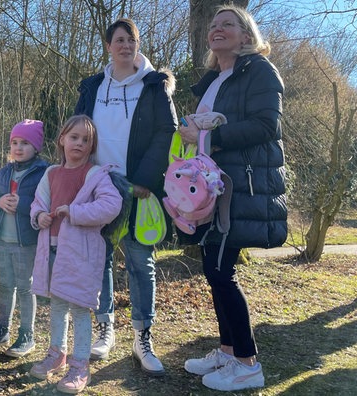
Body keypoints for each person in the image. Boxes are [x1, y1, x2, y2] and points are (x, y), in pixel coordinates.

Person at [178, 5, 287, 392]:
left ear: (246, 35)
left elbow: (266, 125)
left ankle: (247, 363)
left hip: (241, 187)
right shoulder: (215, 78)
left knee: (222, 273)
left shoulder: (258, 70)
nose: (218, 28)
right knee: (214, 270)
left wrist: (207, 137)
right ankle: (227, 350)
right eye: (214, 24)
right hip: (212, 187)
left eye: (229, 24)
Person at [74, 18, 176, 375]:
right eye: (118, 40)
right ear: (108, 46)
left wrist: (146, 179)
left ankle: (142, 337)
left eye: (130, 39)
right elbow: (78, 130)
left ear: (137, 45)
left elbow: (168, 131)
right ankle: (106, 328)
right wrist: (80, 176)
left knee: (139, 261)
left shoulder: (154, 85)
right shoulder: (92, 87)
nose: (125, 45)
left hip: (139, 188)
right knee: (99, 259)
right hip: (99, 186)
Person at [28, 115, 122, 393]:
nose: (79, 143)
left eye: (85, 140)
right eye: (74, 137)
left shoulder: (95, 174)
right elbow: (37, 203)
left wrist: (76, 212)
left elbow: (111, 206)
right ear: (62, 140)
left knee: (80, 308)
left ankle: (80, 365)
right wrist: (40, 216)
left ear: (92, 146)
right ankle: (57, 353)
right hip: (52, 251)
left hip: (80, 254)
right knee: (57, 306)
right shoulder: (51, 173)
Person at [0, 119, 49, 357]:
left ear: (36, 147)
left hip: (26, 242)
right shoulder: (4, 171)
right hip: (2, 239)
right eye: (15, 143)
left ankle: (26, 334)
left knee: (25, 287)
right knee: (6, 285)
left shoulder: (43, 172)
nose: (18, 148)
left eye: (25, 143)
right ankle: (2, 328)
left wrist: (23, 205)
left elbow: (45, 204)